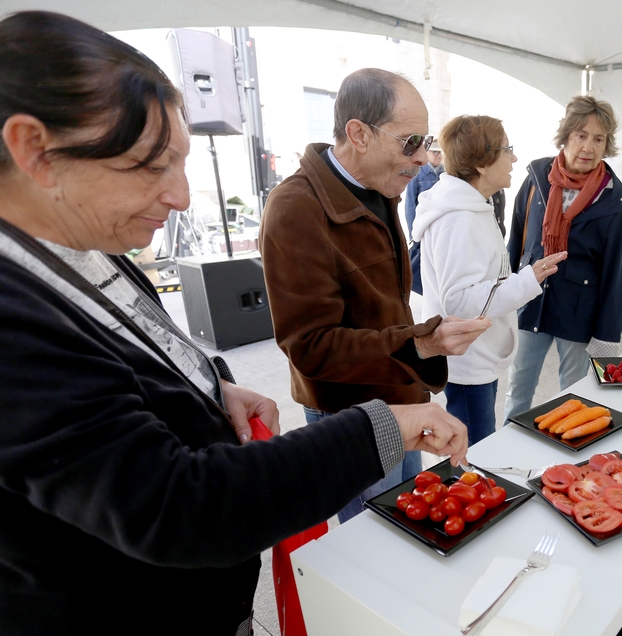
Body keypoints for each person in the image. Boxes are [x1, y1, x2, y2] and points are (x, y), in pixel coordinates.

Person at [0, 11, 470, 635]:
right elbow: (174, 507)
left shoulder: (88, 242)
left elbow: (141, 345)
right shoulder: (14, 318)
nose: (182, 196)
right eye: (149, 164)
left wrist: (209, 381)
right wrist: (382, 426)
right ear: (35, 151)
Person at [259, 68, 490, 524]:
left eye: (424, 141)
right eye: (410, 142)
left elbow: (387, 305)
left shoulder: (376, 188)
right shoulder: (296, 208)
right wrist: (420, 343)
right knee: (376, 539)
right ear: (358, 134)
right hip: (350, 414)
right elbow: (310, 346)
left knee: (408, 520)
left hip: (400, 391)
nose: (423, 158)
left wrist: (422, 349)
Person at [412, 115, 567, 444]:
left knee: (476, 448)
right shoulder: (459, 218)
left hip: (478, 355)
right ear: (481, 164)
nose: (513, 158)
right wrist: (528, 280)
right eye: (506, 149)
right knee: (472, 456)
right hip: (468, 361)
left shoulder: (471, 207)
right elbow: (461, 302)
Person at [503, 95, 622, 420]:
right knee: (518, 391)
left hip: (578, 312)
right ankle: (498, 462)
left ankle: (563, 466)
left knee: (571, 401)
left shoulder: (612, 197)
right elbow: (516, 243)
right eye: (581, 135)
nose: (588, 147)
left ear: (607, 145)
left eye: (598, 139)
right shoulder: (537, 177)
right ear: (567, 136)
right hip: (531, 302)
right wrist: (503, 295)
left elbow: (617, 273)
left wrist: (607, 336)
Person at [404, 138, 445, 239]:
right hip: (421, 227)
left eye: (440, 152)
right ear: (427, 153)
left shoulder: (445, 174)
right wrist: (413, 234)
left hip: (440, 229)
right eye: (435, 152)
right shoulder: (417, 174)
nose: (438, 156)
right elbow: (410, 206)